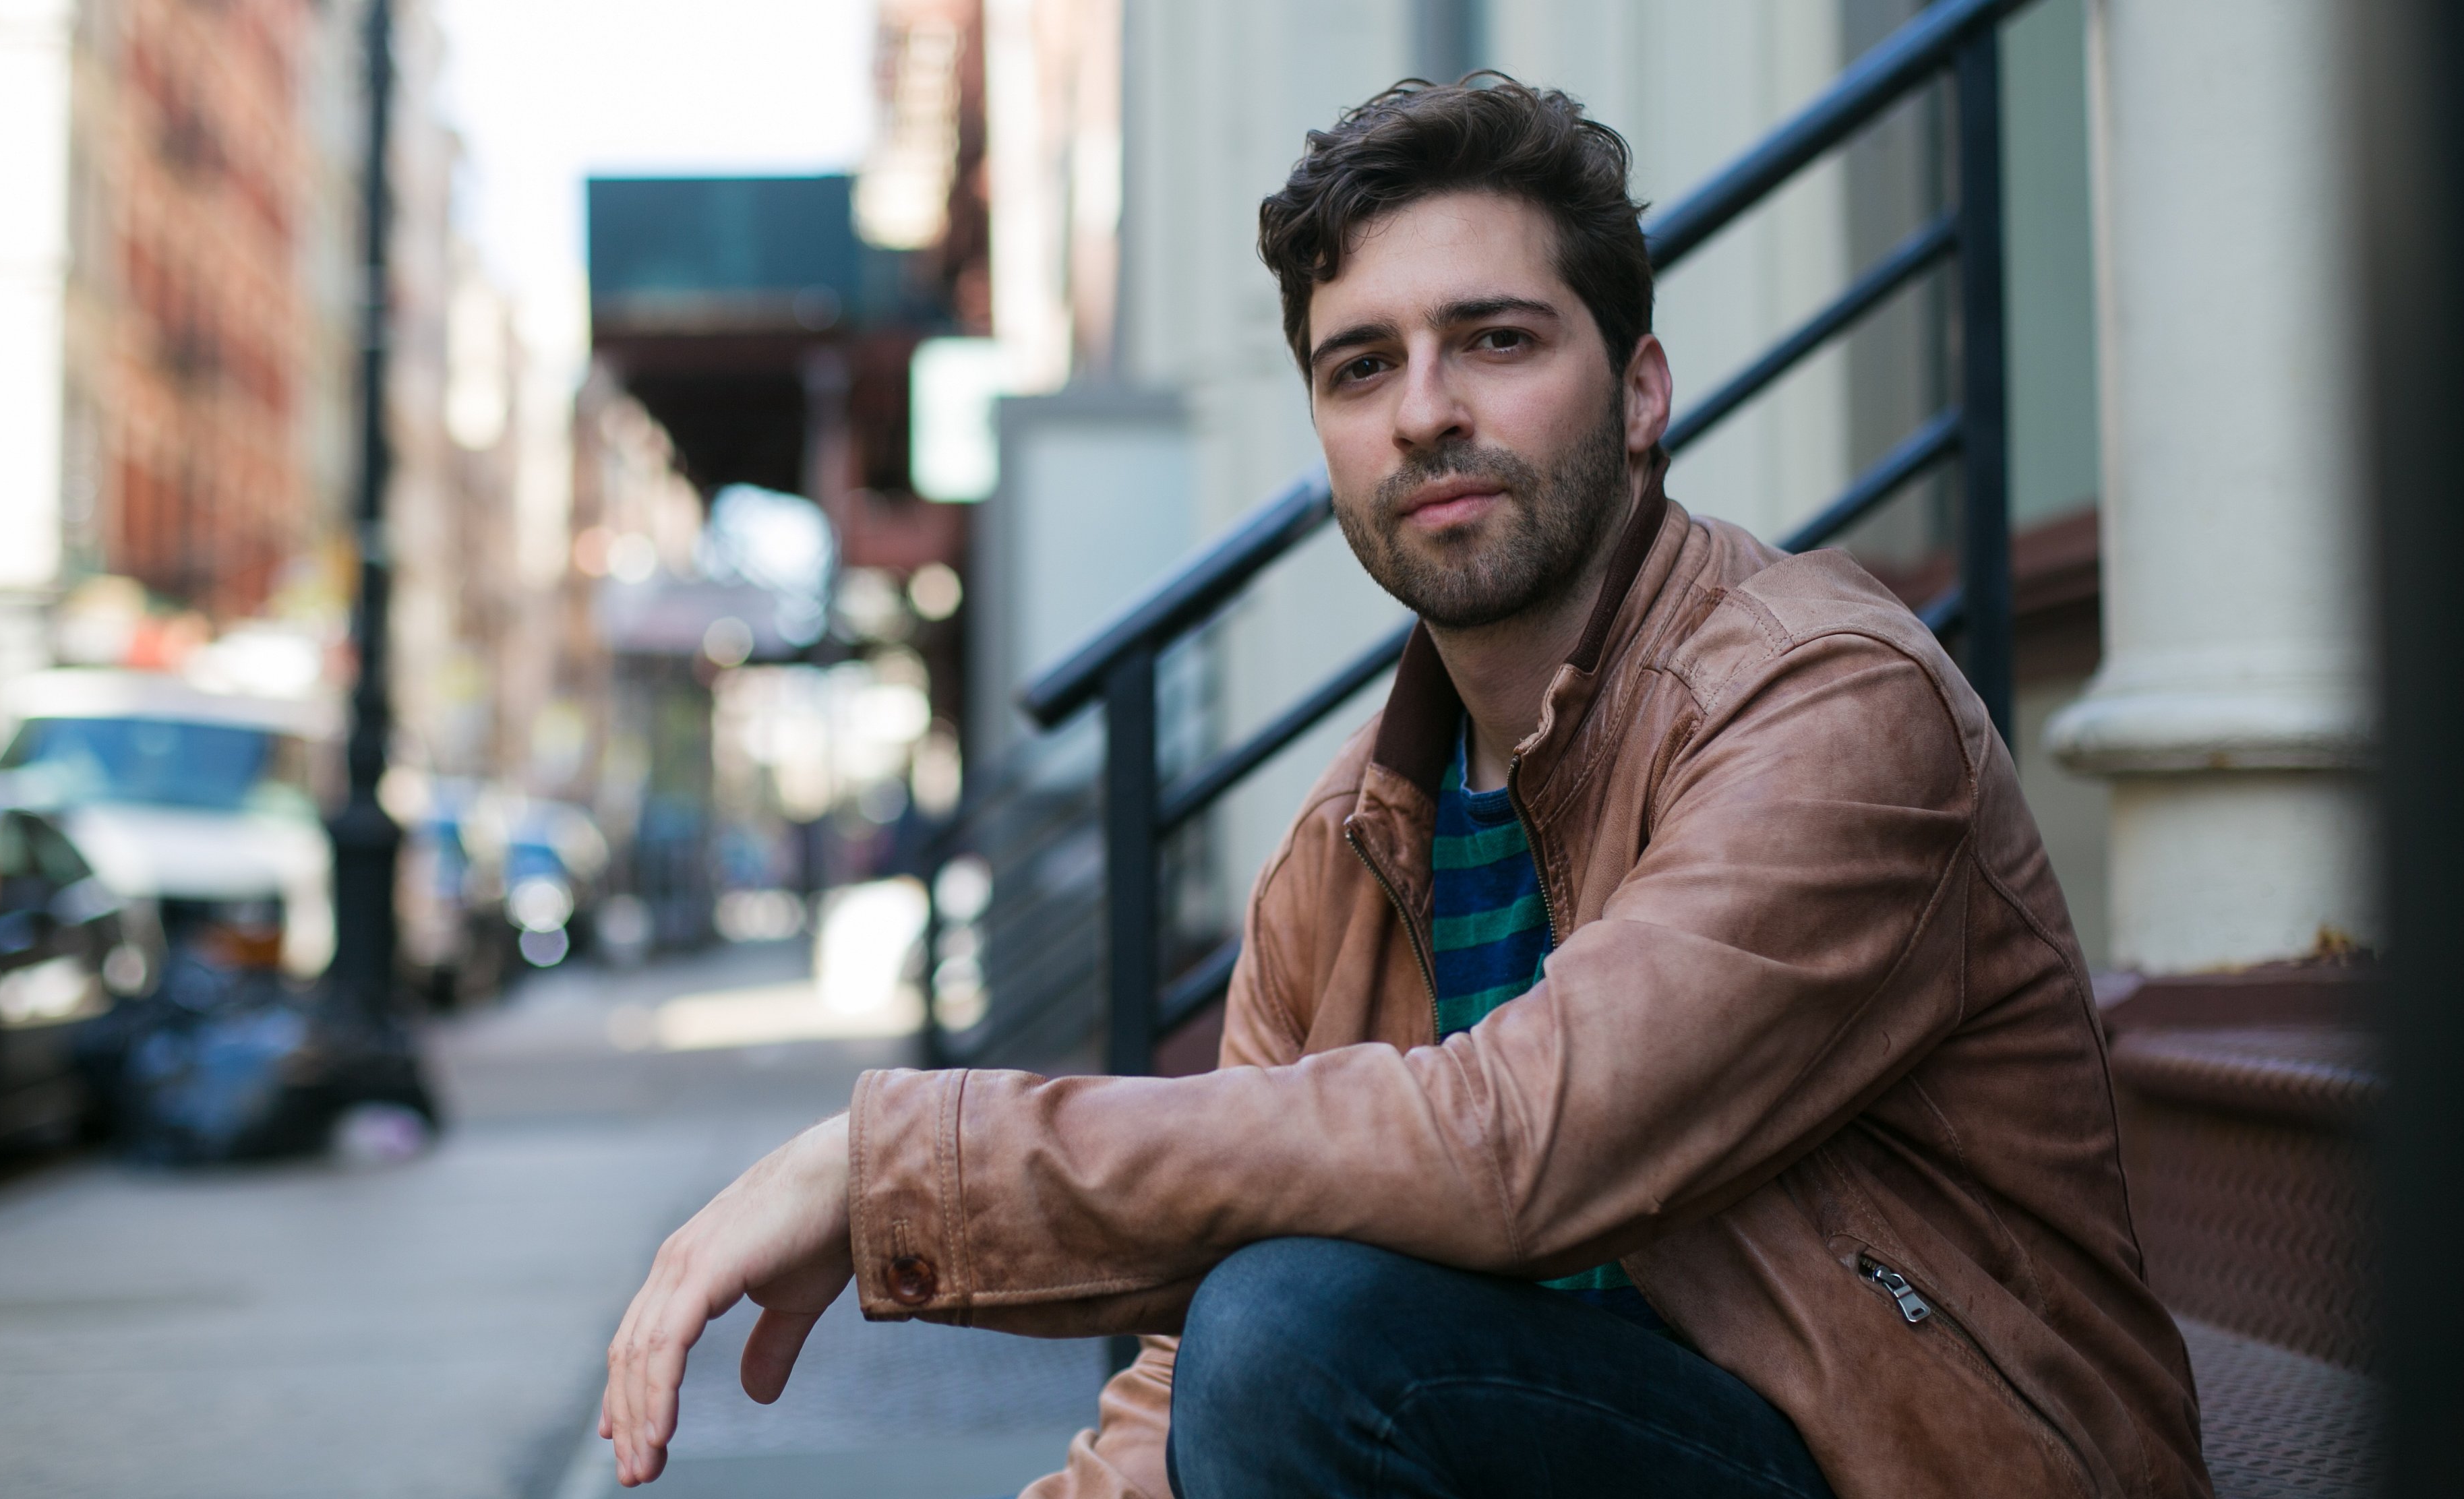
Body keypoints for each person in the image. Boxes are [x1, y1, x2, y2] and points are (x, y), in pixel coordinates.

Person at [597, 78, 2208, 1499]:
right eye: (1360, 366)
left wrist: (897, 1162)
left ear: (1642, 392)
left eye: (1495, 341)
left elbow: (1527, 1138)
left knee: (1300, 1330)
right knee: (1263, 1324)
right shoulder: (1346, 845)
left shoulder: (1825, 702)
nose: (1424, 409)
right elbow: (1186, 1375)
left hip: (1915, 1460)